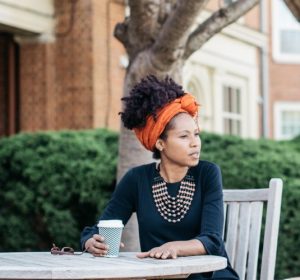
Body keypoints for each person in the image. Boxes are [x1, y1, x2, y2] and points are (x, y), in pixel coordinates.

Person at [80, 75, 239, 280]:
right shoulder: (137, 179)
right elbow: (102, 227)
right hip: (163, 277)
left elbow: (212, 240)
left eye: (196, 134)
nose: (195, 143)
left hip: (210, 276)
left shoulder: (207, 173)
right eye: (184, 136)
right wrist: (91, 241)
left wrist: (174, 248)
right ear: (160, 144)